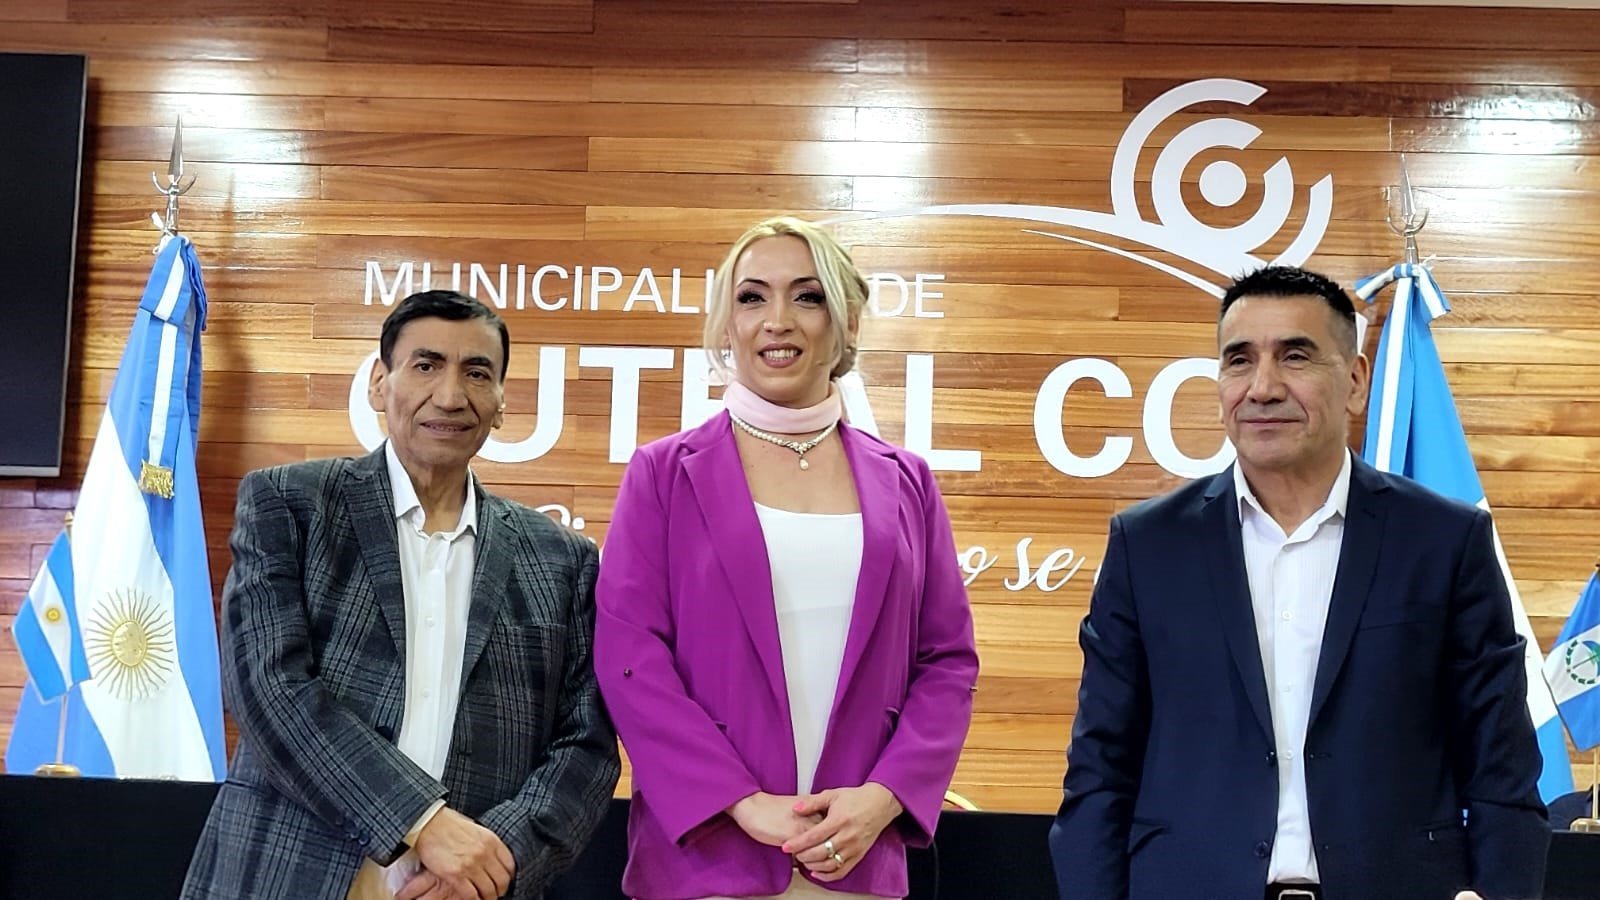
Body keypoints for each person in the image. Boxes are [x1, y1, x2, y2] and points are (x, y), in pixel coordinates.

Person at [1049, 266, 1548, 900]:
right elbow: (1099, 770)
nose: (1262, 387)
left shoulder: (1446, 541)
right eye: (1239, 360)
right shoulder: (1147, 547)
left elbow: (1502, 769)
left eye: (1295, 356)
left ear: (1356, 382)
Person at [183, 290, 620, 900]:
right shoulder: (291, 504)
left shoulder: (562, 560)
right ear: (378, 383)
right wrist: (421, 820)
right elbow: (268, 688)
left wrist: (493, 865)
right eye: (426, 365)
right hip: (290, 874)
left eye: (477, 373)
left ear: (500, 403)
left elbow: (586, 745)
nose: (450, 395)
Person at [594, 216, 979, 899]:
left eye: (808, 296)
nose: (778, 320)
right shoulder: (662, 473)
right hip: (707, 862)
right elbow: (631, 656)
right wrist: (740, 802)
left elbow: (947, 662)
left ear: (847, 321)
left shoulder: (908, 482)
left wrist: (883, 798)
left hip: (855, 862)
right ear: (726, 325)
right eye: (752, 297)